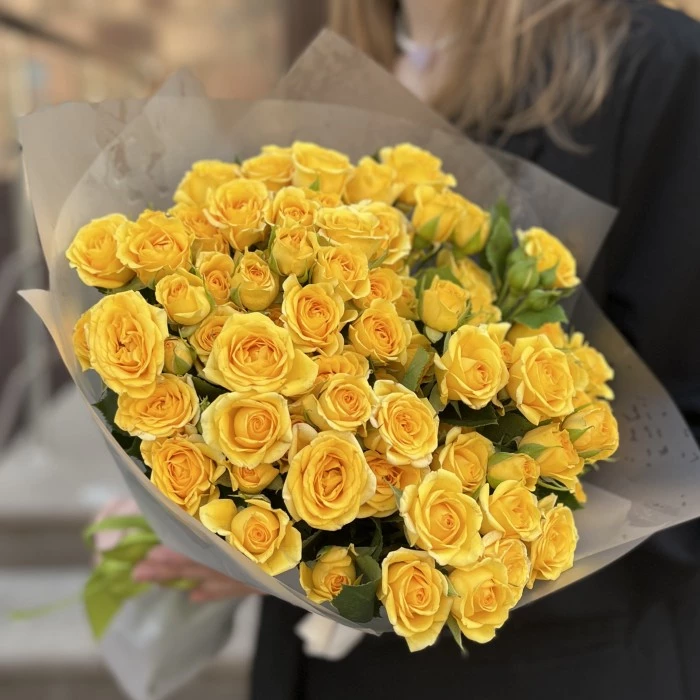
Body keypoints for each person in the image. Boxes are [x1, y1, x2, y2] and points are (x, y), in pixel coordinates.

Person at [132, 1, 700, 698]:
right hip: (322, 671)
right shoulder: (338, 72)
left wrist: (447, 544)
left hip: (549, 668)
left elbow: (683, 442)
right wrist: (222, 507)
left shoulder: (651, 66)